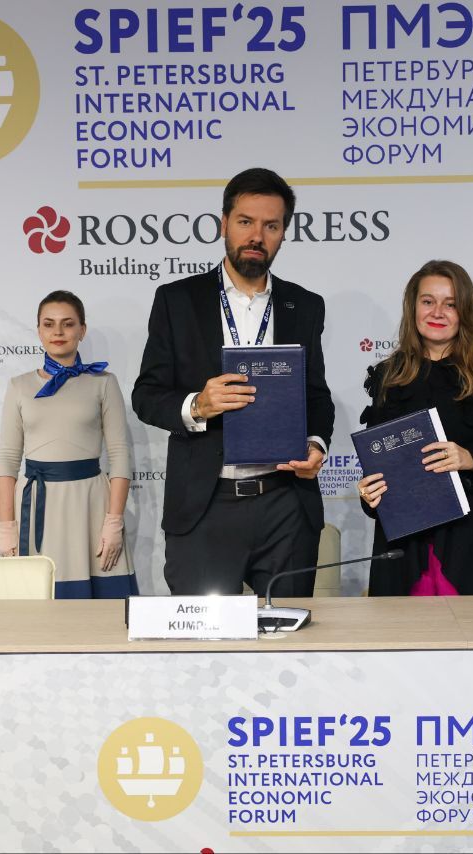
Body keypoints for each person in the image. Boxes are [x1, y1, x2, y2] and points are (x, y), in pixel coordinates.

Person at [132, 168, 334, 596]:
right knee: (205, 636)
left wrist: (316, 445)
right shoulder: (177, 300)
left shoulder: (305, 305)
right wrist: (197, 405)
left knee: (286, 631)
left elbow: (316, 396)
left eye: (271, 226)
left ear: (284, 233)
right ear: (224, 224)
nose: (257, 236)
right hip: (205, 505)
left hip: (285, 504)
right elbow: (147, 396)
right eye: (246, 222)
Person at [355, 260, 473, 595]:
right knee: (403, 627)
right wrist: (369, 495)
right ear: (413, 308)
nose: (437, 312)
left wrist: (470, 458)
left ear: (464, 311)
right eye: (428, 301)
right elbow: (378, 464)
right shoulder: (389, 376)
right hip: (407, 540)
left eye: (450, 304)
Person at [0, 290, 135, 598]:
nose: (58, 332)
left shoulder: (104, 382)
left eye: (68, 324)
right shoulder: (18, 386)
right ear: (39, 331)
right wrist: (7, 527)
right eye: (49, 324)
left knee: (104, 608)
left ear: (82, 330)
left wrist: (114, 521)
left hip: (91, 505)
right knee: (37, 606)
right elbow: (7, 459)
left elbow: (119, 454)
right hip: (36, 505)